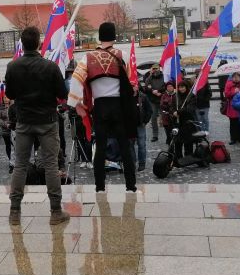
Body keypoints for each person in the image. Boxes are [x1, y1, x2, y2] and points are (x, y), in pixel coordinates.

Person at [5, 27, 69, 224]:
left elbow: (10, 95)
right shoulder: (50, 67)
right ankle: (56, 211)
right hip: (47, 122)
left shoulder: (12, 66)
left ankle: (15, 211)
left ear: (22, 44)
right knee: (50, 164)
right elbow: (62, 93)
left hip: (24, 121)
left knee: (20, 165)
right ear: (39, 44)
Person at [68, 22, 137, 193]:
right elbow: (131, 83)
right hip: (119, 106)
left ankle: (100, 187)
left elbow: (76, 80)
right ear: (114, 37)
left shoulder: (88, 58)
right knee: (124, 146)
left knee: (100, 147)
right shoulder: (124, 55)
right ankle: (130, 186)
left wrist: (76, 104)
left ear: (99, 37)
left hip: (100, 106)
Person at [143, 64, 166, 141]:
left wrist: (159, 91)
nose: (155, 70)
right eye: (154, 69)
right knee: (153, 118)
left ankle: (168, 134)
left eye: (156, 68)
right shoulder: (149, 77)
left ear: (159, 69)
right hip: (153, 101)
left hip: (163, 99)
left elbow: (166, 86)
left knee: (165, 117)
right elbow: (146, 87)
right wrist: (152, 91)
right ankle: (155, 135)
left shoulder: (164, 76)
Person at [134, 80, 153, 171]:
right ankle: (132, 162)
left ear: (137, 86)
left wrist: (145, 121)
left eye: (135, 85)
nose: (133, 87)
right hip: (130, 126)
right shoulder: (125, 97)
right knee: (130, 145)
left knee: (141, 144)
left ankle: (142, 163)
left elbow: (149, 110)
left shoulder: (143, 97)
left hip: (140, 125)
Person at [223, 72, 240, 144]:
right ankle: (233, 138)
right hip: (232, 107)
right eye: (234, 77)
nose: (236, 78)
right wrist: (234, 92)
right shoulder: (229, 84)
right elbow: (226, 94)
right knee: (233, 123)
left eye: (237, 76)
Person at [0, 94, 13, 164]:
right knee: (8, 145)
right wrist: (5, 124)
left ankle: (16, 159)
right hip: (5, 130)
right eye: (4, 98)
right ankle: (10, 159)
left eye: (7, 97)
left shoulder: (13, 106)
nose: (6, 99)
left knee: (15, 145)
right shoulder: (0, 108)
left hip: (14, 129)